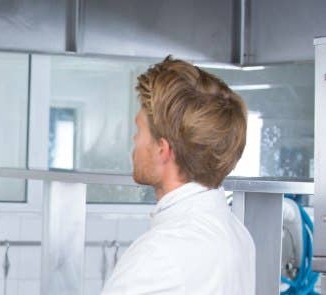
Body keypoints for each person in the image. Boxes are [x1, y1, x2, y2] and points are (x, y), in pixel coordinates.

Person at [101, 56, 256, 294]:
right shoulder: (239, 236)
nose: (134, 140)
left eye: (139, 130)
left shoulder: (157, 255)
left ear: (162, 149)